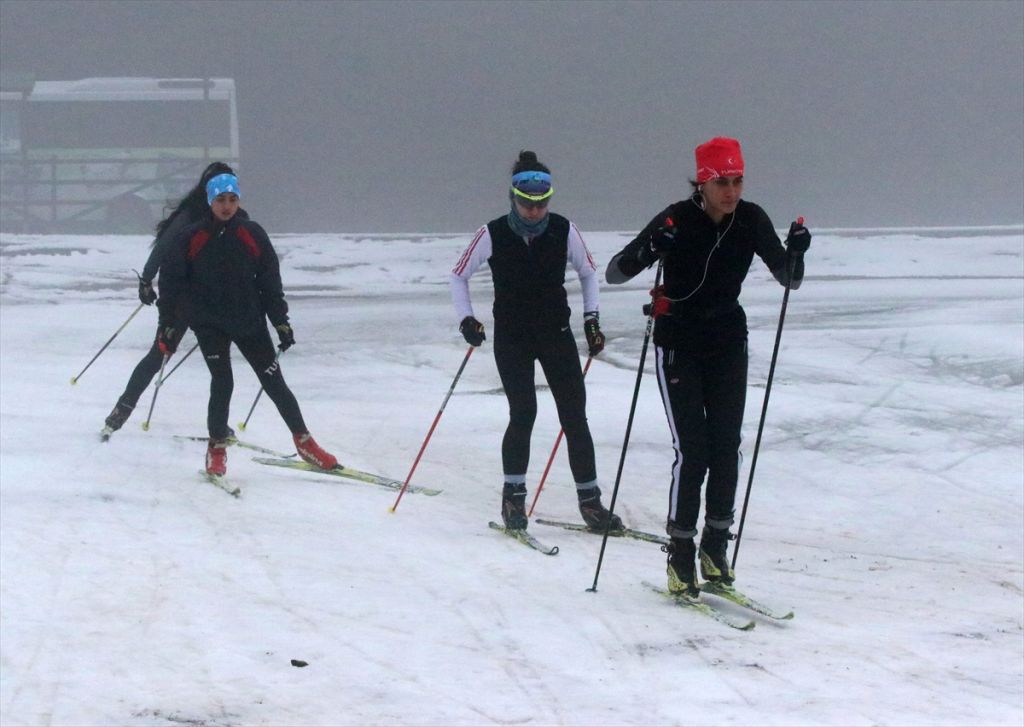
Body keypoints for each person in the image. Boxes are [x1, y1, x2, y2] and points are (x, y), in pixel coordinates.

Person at [605, 137, 811, 596]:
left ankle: (715, 548)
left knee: (727, 448)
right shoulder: (676, 218)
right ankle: (679, 555)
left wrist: (797, 252)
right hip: (678, 341)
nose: (731, 191)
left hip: (726, 341)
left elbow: (789, 278)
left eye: (737, 181)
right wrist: (652, 248)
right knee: (693, 452)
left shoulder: (752, 219)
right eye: (722, 181)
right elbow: (616, 273)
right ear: (703, 180)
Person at [450, 150, 621, 532]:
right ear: (514, 198)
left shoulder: (564, 229)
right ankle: (513, 501)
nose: (534, 211)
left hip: (555, 334)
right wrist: (466, 319)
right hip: (512, 337)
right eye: (527, 203)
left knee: (575, 415)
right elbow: (458, 276)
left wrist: (591, 320)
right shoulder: (491, 233)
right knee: (523, 413)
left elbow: (589, 274)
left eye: (541, 203)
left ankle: (591, 504)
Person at [156, 169, 337, 476]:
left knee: (274, 381)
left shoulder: (252, 234)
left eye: (232, 199)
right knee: (223, 382)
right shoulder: (192, 237)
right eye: (220, 200)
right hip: (209, 323)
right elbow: (172, 284)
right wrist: (168, 325)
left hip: (248, 321)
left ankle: (305, 442)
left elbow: (269, 280)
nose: (227, 206)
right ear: (210, 202)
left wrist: (280, 321)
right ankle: (216, 448)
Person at [102, 161, 236, 437]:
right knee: (160, 353)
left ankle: (219, 427)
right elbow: (163, 247)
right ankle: (121, 410)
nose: (225, 197)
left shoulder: (231, 217)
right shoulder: (190, 216)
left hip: (211, 298)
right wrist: (146, 279)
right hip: (182, 297)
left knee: (219, 367)